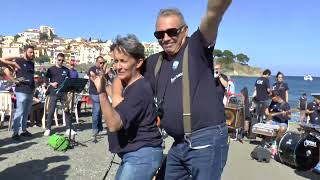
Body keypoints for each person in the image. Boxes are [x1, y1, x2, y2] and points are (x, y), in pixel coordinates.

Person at [144, 1, 232, 179]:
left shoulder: (195, 48)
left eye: (172, 32)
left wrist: (217, 8)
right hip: (178, 143)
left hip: (206, 140)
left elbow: (213, 16)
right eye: (160, 34)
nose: (166, 38)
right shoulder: (155, 62)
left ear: (184, 30)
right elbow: (129, 72)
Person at [90, 34, 163, 180]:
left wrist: (101, 92)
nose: (117, 66)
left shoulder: (139, 89)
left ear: (138, 63)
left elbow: (114, 124)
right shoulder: (130, 85)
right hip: (134, 154)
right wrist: (106, 85)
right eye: (116, 61)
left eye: (123, 61)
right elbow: (119, 99)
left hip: (142, 155)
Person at [3, 45, 35, 140]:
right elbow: (4, 61)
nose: (32, 54)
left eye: (33, 52)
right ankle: (15, 133)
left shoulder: (32, 64)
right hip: (21, 90)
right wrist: (13, 79)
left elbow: (31, 76)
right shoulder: (19, 61)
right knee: (19, 112)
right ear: (25, 52)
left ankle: (23, 131)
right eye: (30, 52)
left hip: (30, 90)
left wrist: (34, 88)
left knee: (26, 112)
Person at [43, 53, 75, 136]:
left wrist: (69, 89)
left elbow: (69, 80)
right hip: (53, 92)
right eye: (59, 60)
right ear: (56, 59)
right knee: (51, 110)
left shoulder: (66, 70)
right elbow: (45, 80)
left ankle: (68, 128)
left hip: (63, 92)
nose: (61, 61)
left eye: (62, 60)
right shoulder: (51, 69)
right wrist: (51, 83)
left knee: (67, 110)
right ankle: (48, 128)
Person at [87, 56, 105, 137]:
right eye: (100, 62)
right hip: (94, 92)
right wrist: (100, 76)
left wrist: (104, 74)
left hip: (101, 92)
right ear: (97, 62)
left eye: (103, 63)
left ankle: (100, 128)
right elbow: (94, 79)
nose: (102, 64)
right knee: (96, 111)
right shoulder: (92, 69)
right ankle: (94, 129)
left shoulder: (103, 70)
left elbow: (106, 80)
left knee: (100, 111)